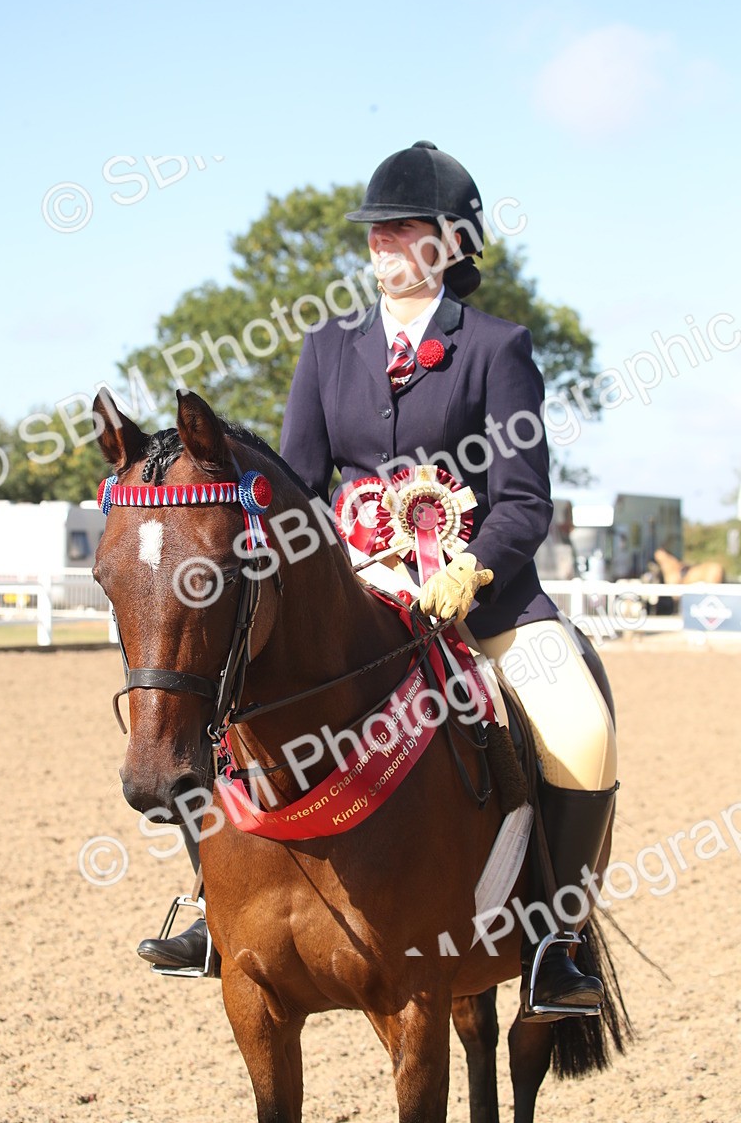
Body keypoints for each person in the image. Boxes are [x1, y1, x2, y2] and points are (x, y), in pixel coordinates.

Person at [140, 141, 618, 1019]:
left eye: (403, 230)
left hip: (482, 603)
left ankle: (558, 942)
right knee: (217, 707)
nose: (382, 246)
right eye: (376, 232)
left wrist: (472, 571)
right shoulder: (328, 350)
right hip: (355, 599)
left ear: (451, 242)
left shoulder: (498, 350)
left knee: (582, 731)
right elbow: (299, 490)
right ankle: (213, 911)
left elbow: (524, 499)